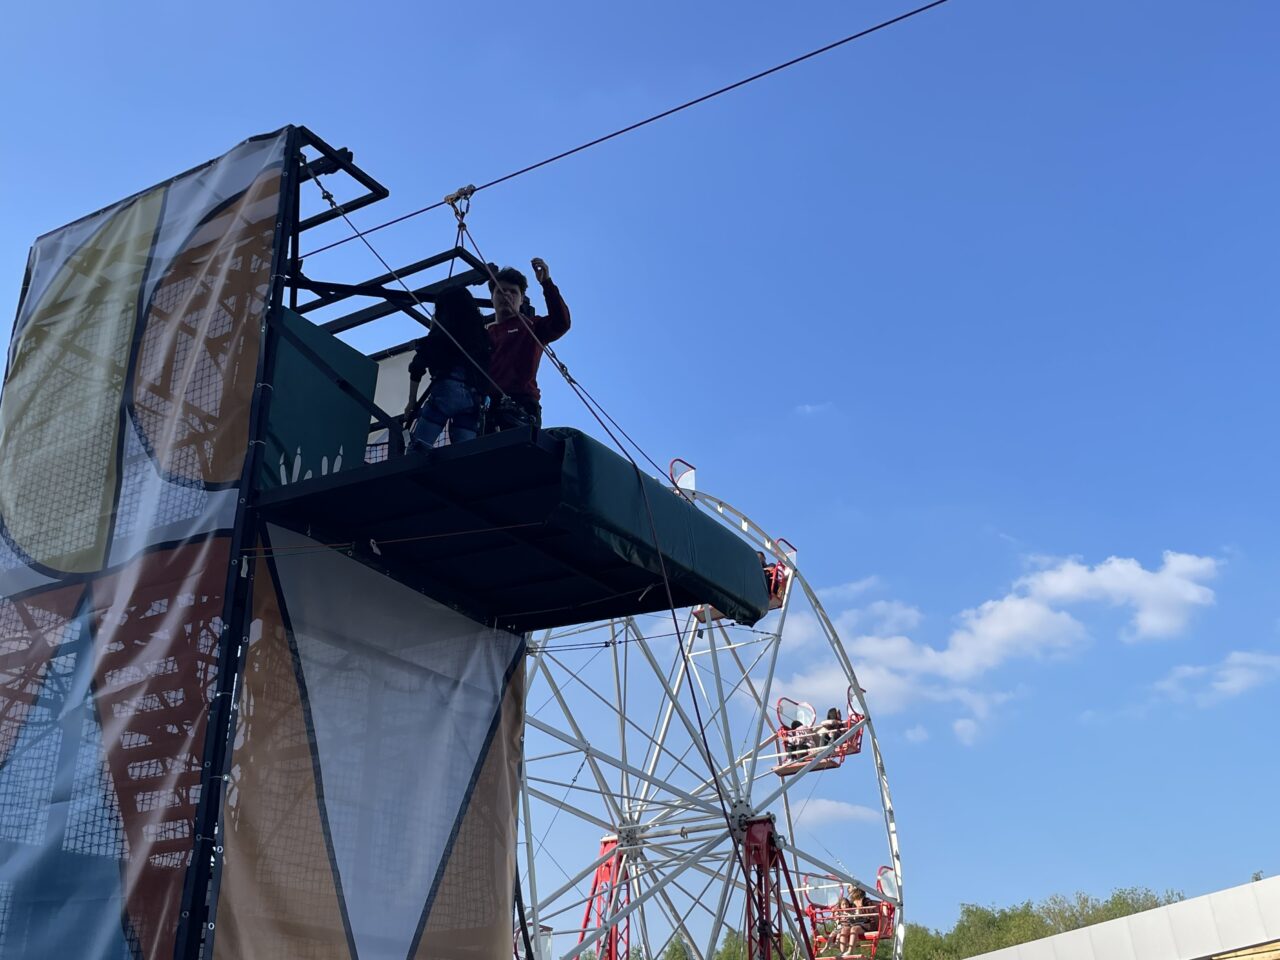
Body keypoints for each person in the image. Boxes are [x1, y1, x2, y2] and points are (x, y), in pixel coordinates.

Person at [484, 258, 570, 430]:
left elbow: (561, 322)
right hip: (488, 408)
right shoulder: (485, 334)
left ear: (522, 299)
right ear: (492, 298)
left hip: (522, 405)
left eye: (513, 292)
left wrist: (546, 283)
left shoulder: (532, 326)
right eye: (500, 291)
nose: (506, 295)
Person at [405, 285, 492, 450]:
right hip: (472, 398)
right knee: (465, 452)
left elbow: (417, 367)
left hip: (446, 391)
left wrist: (412, 402)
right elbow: (486, 371)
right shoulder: (482, 338)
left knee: (419, 447)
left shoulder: (438, 338)